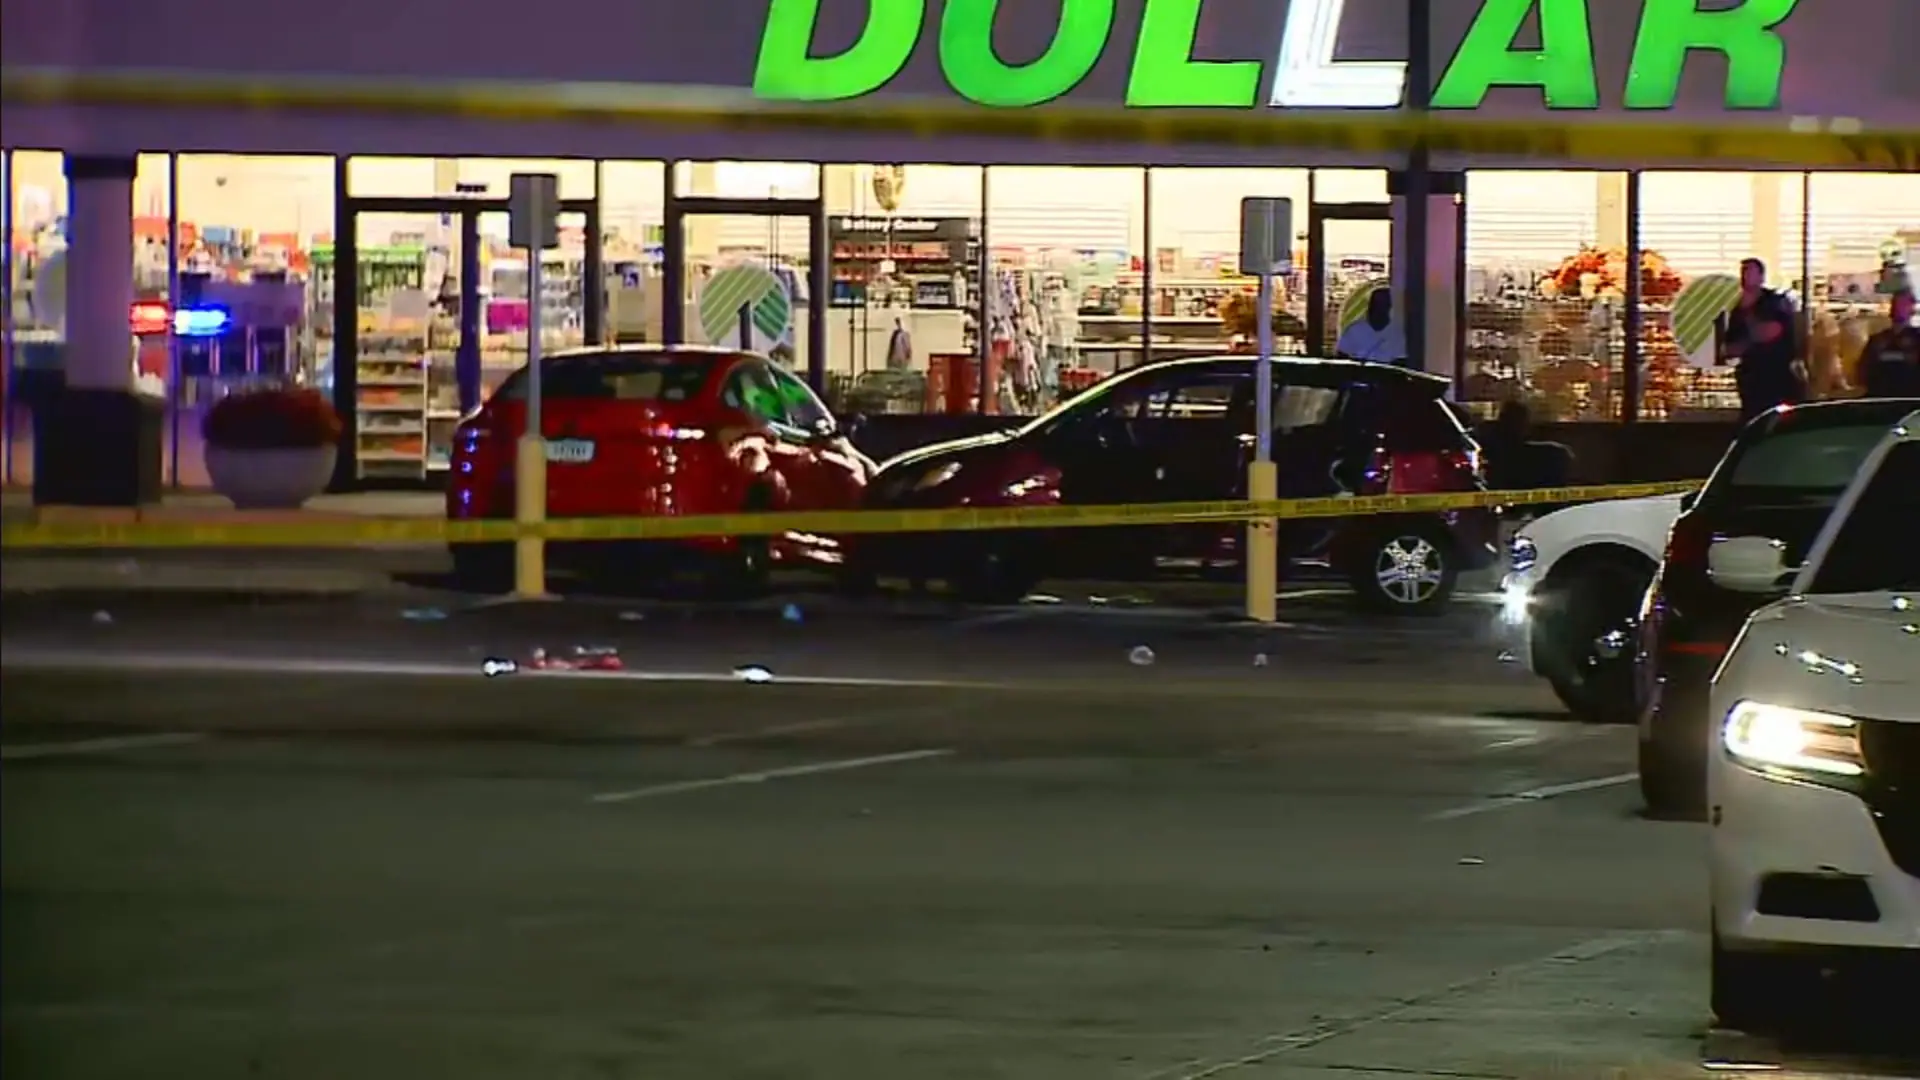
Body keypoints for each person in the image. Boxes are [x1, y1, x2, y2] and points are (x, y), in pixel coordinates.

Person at [1719, 258, 1806, 421]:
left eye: (1750, 272)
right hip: (1751, 381)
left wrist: (1746, 337)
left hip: (1776, 378)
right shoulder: (1737, 309)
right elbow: (1729, 348)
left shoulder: (1774, 302)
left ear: (1761, 277)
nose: (1745, 276)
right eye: (1743, 272)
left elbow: (1770, 331)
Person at [1857, 284, 1919, 398]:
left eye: (1904, 304)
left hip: (1910, 399)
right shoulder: (1878, 339)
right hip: (1880, 399)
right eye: (1895, 303)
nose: (1898, 307)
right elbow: (1863, 371)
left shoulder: (1916, 339)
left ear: (1912, 308)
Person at [1334, 287, 1406, 365]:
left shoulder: (1397, 333)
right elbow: (1341, 356)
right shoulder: (1355, 330)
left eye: (1382, 306)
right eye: (1376, 305)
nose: (1378, 310)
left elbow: (1401, 361)